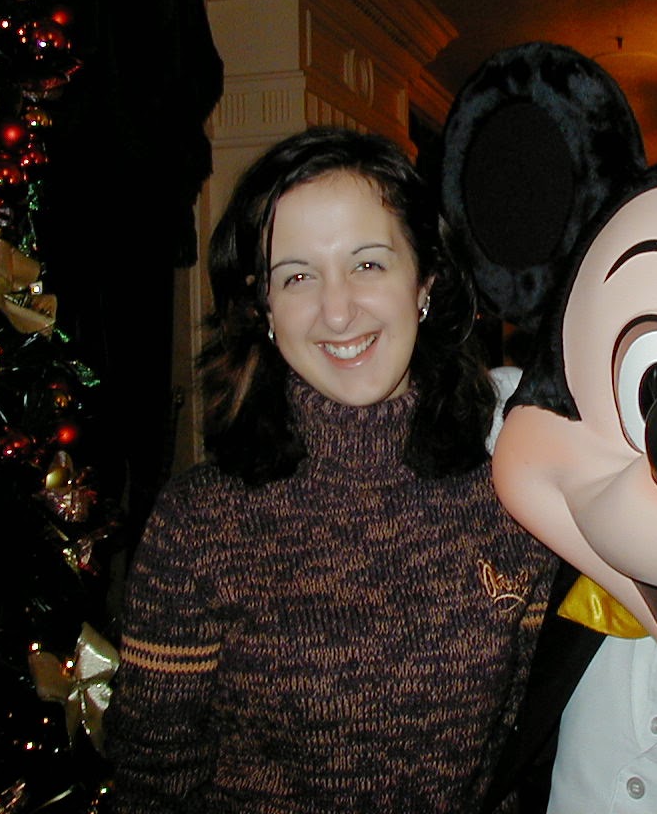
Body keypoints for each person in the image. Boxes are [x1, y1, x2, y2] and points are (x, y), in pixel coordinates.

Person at [106, 127, 556, 813]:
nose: (338, 311)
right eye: (297, 276)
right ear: (263, 307)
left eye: (368, 264)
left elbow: (518, 762)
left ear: (425, 282)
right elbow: (151, 785)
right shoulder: (200, 525)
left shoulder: (511, 499)